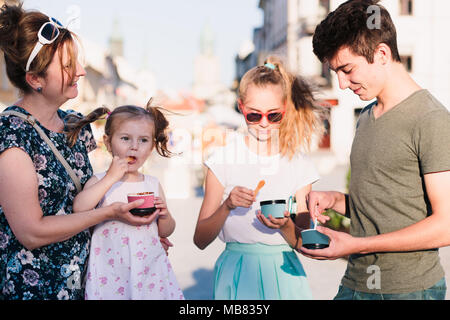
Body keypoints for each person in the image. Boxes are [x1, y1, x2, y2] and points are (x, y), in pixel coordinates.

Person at [0, 4, 154, 300]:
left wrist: (136, 236)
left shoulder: (76, 126)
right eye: (68, 65)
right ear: (35, 79)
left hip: (89, 286)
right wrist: (110, 214)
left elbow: (89, 199)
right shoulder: (12, 133)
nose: (81, 72)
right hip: (33, 291)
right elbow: (32, 232)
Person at [304, 0, 450, 300]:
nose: (342, 84)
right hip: (355, 284)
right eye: (336, 73)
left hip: (409, 291)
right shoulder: (366, 116)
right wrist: (336, 200)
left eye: (347, 69)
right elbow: (388, 206)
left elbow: (446, 225)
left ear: (382, 54)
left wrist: (355, 245)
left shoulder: (431, 119)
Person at [194, 56, 325, 300]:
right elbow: (200, 239)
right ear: (241, 107)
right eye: (254, 116)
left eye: (273, 115)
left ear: (285, 108)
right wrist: (227, 206)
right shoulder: (222, 160)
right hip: (237, 272)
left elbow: (304, 241)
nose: (264, 124)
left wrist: (286, 225)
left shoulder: (299, 163)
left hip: (285, 274)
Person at [71, 104, 184, 300]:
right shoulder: (100, 181)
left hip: (149, 271)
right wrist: (110, 177)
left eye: (143, 140)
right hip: (110, 273)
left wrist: (165, 215)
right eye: (125, 138)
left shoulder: (152, 184)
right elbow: (79, 208)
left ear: (151, 147)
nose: (134, 146)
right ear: (108, 142)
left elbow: (165, 231)